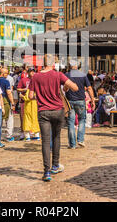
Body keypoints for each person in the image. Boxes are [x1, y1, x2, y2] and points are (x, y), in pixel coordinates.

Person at [28, 54, 78, 182]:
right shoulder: (58, 75)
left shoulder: (36, 77)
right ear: (53, 63)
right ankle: (55, 165)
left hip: (43, 111)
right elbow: (75, 87)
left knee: (45, 141)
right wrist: (65, 86)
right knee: (56, 138)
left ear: (43, 63)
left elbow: (30, 96)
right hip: (57, 110)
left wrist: (40, 96)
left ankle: (46, 172)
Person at [65, 60, 95, 149]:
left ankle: (72, 144)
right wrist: (92, 100)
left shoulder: (67, 75)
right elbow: (89, 88)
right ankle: (80, 140)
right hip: (81, 100)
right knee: (82, 120)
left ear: (70, 66)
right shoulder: (83, 75)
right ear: (78, 66)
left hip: (70, 101)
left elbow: (64, 88)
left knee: (71, 122)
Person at [0, 68, 16, 142]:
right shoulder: (6, 81)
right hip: (5, 101)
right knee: (9, 119)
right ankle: (9, 136)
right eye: (7, 73)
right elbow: (9, 93)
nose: (7, 75)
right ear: (3, 74)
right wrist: (13, 103)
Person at [17, 68, 35, 140]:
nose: (32, 73)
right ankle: (22, 133)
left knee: (33, 117)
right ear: (28, 72)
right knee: (23, 117)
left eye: (33, 72)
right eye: (31, 72)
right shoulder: (23, 80)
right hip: (24, 101)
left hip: (33, 102)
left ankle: (32, 132)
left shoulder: (35, 80)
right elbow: (18, 89)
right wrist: (24, 90)